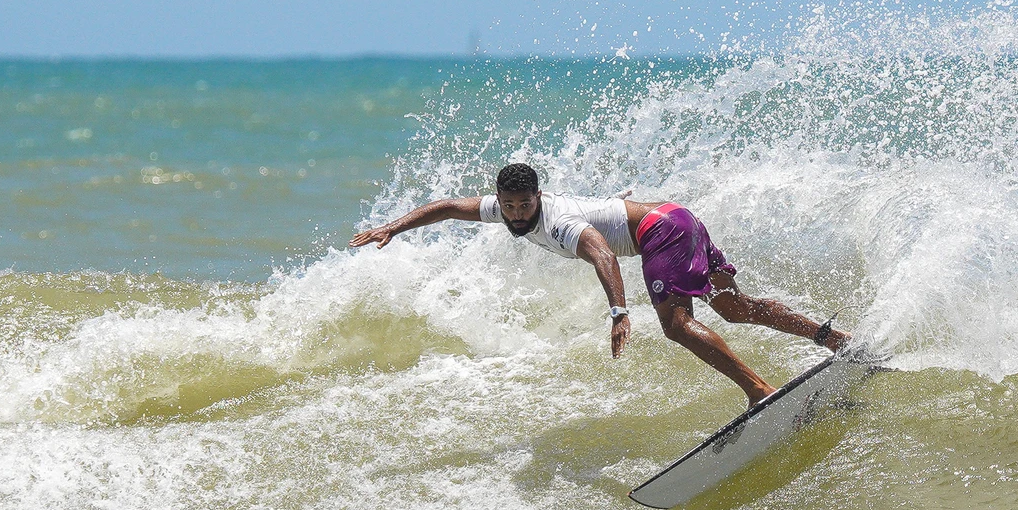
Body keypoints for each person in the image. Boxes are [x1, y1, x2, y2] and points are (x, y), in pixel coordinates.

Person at [349, 163, 850, 408]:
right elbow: (446, 208)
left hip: (663, 231)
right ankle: (831, 338)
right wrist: (394, 225)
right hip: (677, 217)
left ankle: (760, 391)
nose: (518, 215)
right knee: (735, 308)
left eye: (526, 205)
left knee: (676, 326)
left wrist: (618, 311)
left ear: (538, 197)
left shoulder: (559, 222)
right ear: (500, 198)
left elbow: (604, 254)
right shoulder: (498, 206)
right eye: (510, 206)